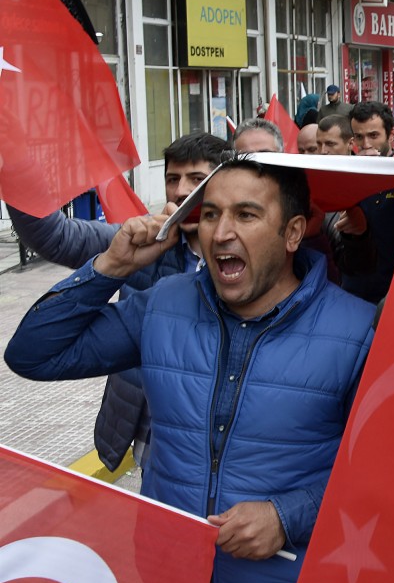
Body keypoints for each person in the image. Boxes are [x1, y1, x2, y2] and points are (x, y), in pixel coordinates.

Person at [6, 157, 376, 583]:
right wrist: (111, 266)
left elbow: (390, 471)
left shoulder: (357, 330)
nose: (221, 232)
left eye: (245, 214)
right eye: (210, 213)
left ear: (293, 233)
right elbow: (33, 355)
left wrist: (289, 515)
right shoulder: (163, 305)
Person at [8, 132, 229, 473]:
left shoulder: (249, 261)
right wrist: (14, 168)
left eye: (197, 179)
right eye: (173, 179)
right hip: (150, 439)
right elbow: (56, 236)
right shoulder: (141, 241)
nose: (182, 191)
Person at [345, 101, 394, 302]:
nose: (366, 145)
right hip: (356, 292)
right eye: (359, 137)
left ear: (391, 135)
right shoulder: (345, 176)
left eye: (373, 136)